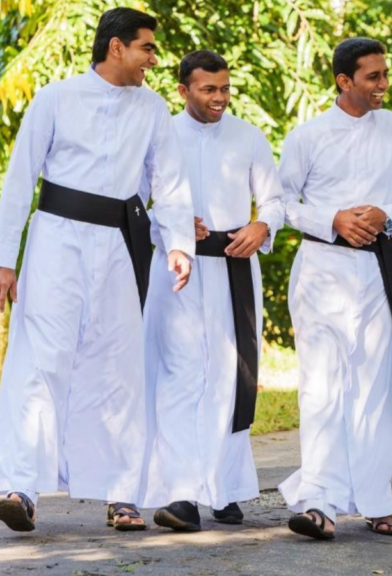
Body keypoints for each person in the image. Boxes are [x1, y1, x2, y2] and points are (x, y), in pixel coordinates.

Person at [0, 7, 194, 533]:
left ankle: (122, 494)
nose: (153, 58)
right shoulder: (56, 98)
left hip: (123, 246)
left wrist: (178, 245)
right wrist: (3, 260)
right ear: (117, 46)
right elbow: (19, 177)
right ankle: (20, 488)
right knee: (39, 360)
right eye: (147, 47)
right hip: (56, 240)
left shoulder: (153, 110)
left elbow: (168, 183)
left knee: (119, 366)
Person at [277, 37, 392, 541]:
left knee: (376, 389)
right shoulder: (308, 135)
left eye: (386, 74)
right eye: (373, 77)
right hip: (321, 269)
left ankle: (374, 498)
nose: (384, 84)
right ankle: (319, 501)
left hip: (376, 272)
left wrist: (388, 214)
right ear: (344, 81)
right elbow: (280, 204)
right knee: (322, 388)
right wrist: (334, 219)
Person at [140, 50, 286, 532]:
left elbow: (275, 200)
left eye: (224, 88)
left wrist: (263, 225)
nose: (220, 98)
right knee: (180, 375)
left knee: (229, 375)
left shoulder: (249, 137)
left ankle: (223, 488)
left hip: (234, 271)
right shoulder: (162, 135)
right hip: (176, 271)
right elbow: (138, 202)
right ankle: (182, 494)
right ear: (183, 91)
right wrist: (172, 223)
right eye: (209, 90)